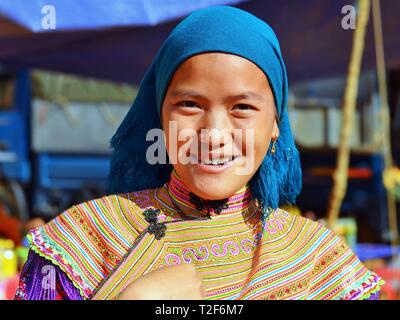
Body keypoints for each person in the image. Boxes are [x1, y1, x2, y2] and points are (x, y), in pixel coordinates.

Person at [15, 6, 383, 300]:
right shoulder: (83, 241)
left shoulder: (321, 267)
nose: (214, 134)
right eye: (190, 104)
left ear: (275, 125)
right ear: (159, 115)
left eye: (242, 107)